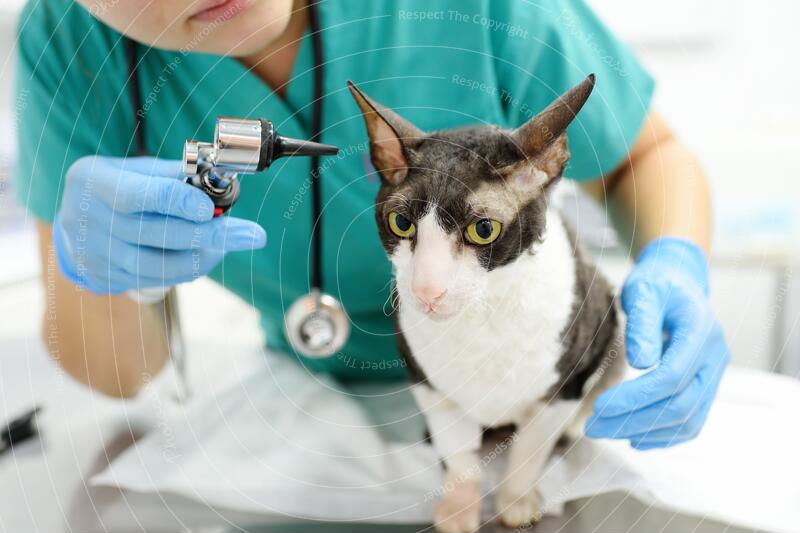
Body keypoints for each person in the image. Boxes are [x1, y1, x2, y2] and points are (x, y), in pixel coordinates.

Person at [16, 0, 729, 450]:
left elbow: (644, 156)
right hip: (301, 413)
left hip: (533, 392)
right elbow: (118, 374)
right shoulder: (65, 43)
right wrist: (109, 277)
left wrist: (677, 263)